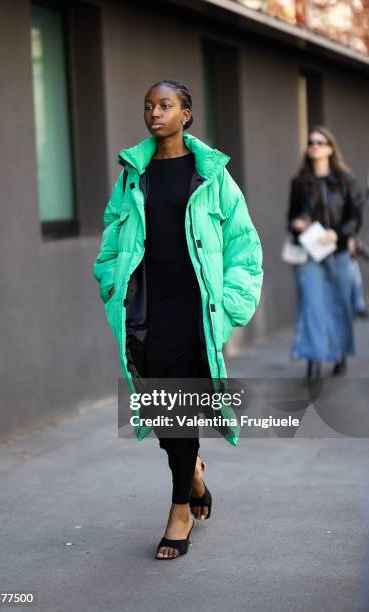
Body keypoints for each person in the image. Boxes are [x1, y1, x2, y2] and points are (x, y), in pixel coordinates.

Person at [93, 79, 263, 560]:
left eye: (165, 105)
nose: (154, 113)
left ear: (186, 114)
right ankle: (192, 472)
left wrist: (229, 303)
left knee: (178, 402)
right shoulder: (133, 173)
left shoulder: (211, 174)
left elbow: (244, 245)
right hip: (148, 306)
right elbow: (112, 230)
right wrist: (110, 279)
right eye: (148, 105)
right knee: (160, 403)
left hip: (195, 305)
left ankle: (178, 511)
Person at [287, 125, 364, 378]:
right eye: (311, 142)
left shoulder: (345, 180)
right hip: (310, 253)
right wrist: (297, 224)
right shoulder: (299, 183)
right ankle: (314, 357)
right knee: (312, 304)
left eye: (320, 142)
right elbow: (291, 218)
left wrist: (338, 233)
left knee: (339, 305)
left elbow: (355, 217)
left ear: (330, 148)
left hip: (339, 252)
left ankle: (339, 353)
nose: (314, 146)